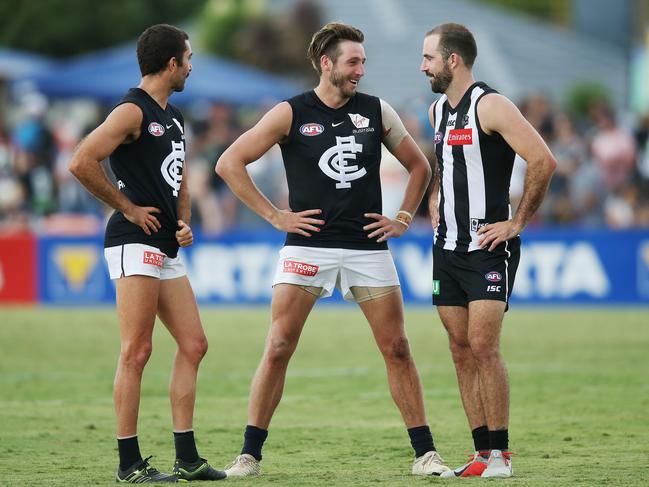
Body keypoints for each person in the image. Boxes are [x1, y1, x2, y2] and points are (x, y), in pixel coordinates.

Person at [215, 22, 450, 477]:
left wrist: (403, 217)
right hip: (307, 246)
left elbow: (420, 166)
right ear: (327, 63)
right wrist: (275, 217)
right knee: (279, 344)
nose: (361, 70)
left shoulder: (377, 111)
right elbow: (229, 163)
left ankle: (426, 454)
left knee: (398, 347)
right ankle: (249, 455)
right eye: (353, 62)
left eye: (363, 62)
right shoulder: (290, 112)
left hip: (367, 248)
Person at [69, 24, 225, 483]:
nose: (192, 66)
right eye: (189, 58)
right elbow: (80, 160)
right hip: (132, 240)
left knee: (194, 344)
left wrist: (183, 220)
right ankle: (128, 464)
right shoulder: (130, 111)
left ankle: (187, 458)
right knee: (137, 351)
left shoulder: (173, 115)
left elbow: (177, 177)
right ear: (172, 63)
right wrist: (128, 207)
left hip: (164, 242)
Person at [420, 23, 556, 478]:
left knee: (482, 345)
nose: (423, 66)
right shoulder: (437, 110)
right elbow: (445, 165)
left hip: (486, 248)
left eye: (428, 58)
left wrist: (517, 222)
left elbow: (542, 160)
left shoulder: (491, 104)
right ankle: (481, 455)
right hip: (446, 248)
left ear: (452, 60)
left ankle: (501, 455)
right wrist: (436, 196)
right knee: (459, 349)